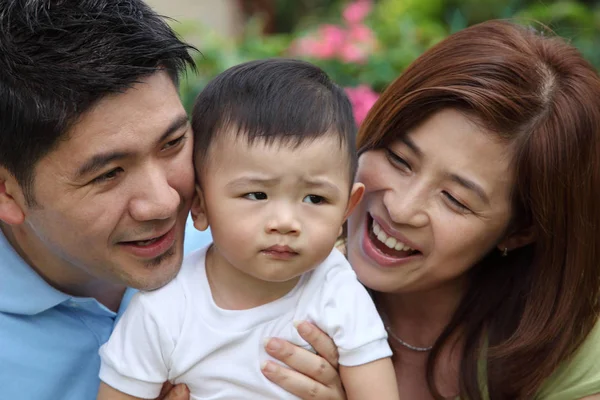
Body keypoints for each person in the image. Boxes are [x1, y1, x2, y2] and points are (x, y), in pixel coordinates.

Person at [0, 2, 344, 400]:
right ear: (8, 191)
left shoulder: (249, 248)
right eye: (108, 173)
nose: (164, 204)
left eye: (173, 143)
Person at [266, 20, 600, 399]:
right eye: (398, 158)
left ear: (519, 231)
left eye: (455, 199)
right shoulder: (269, 281)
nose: (401, 207)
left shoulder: (574, 354)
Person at [96, 58, 400, 400]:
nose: (286, 222)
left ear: (347, 207)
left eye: (315, 198)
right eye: (256, 194)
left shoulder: (336, 291)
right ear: (200, 205)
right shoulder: (164, 309)